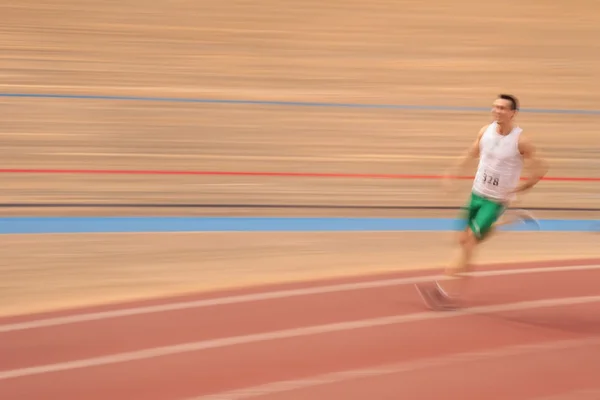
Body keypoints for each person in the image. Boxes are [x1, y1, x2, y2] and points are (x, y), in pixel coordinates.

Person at [416, 94, 549, 310]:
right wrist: (453, 172)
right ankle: (512, 220)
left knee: (469, 242)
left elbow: (541, 168)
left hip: (496, 201)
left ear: (513, 113)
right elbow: (471, 153)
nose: (497, 111)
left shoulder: (520, 140)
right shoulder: (485, 131)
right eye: (495, 107)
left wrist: (523, 187)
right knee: (464, 239)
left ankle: (447, 291)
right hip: (477, 194)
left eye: (503, 108)